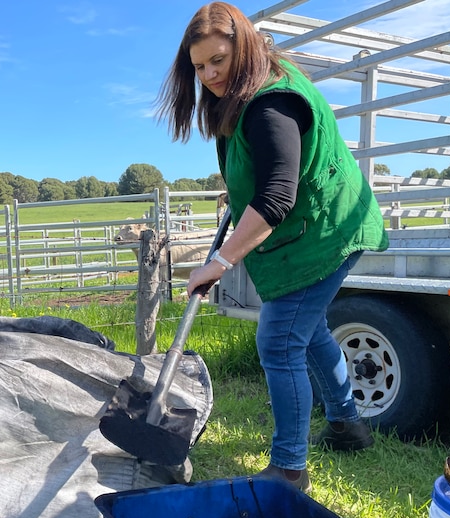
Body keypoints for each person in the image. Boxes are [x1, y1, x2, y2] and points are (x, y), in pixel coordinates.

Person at [155, 1, 389, 492]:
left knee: (279, 341)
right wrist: (238, 194)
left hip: (328, 229)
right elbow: (266, 170)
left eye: (218, 60)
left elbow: (278, 197)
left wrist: (218, 262)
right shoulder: (250, 91)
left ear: (243, 46)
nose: (210, 74)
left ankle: (289, 468)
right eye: (199, 67)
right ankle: (348, 426)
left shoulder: (270, 102)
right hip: (308, 229)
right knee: (308, 330)